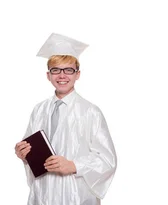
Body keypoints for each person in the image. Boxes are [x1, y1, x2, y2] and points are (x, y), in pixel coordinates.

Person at [14, 33, 117, 205]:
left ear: (78, 74)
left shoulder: (90, 112)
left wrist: (74, 165)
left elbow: (107, 159)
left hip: (75, 195)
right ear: (48, 75)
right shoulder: (39, 110)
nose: (62, 76)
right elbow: (32, 150)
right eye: (56, 70)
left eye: (68, 70)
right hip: (43, 193)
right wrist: (23, 154)